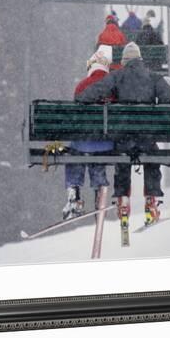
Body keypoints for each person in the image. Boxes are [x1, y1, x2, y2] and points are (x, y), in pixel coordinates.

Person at [75, 41, 170, 225]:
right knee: (152, 161)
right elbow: (167, 95)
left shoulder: (117, 76)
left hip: (123, 137)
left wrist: (81, 98)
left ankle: (122, 199)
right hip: (146, 138)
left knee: (122, 160)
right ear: (140, 58)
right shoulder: (153, 77)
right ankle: (151, 198)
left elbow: (97, 91)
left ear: (125, 60)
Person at [62, 48, 114, 220]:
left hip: (83, 142)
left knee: (76, 153)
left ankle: (74, 192)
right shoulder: (113, 85)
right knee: (98, 155)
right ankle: (100, 191)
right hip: (106, 144)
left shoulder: (81, 86)